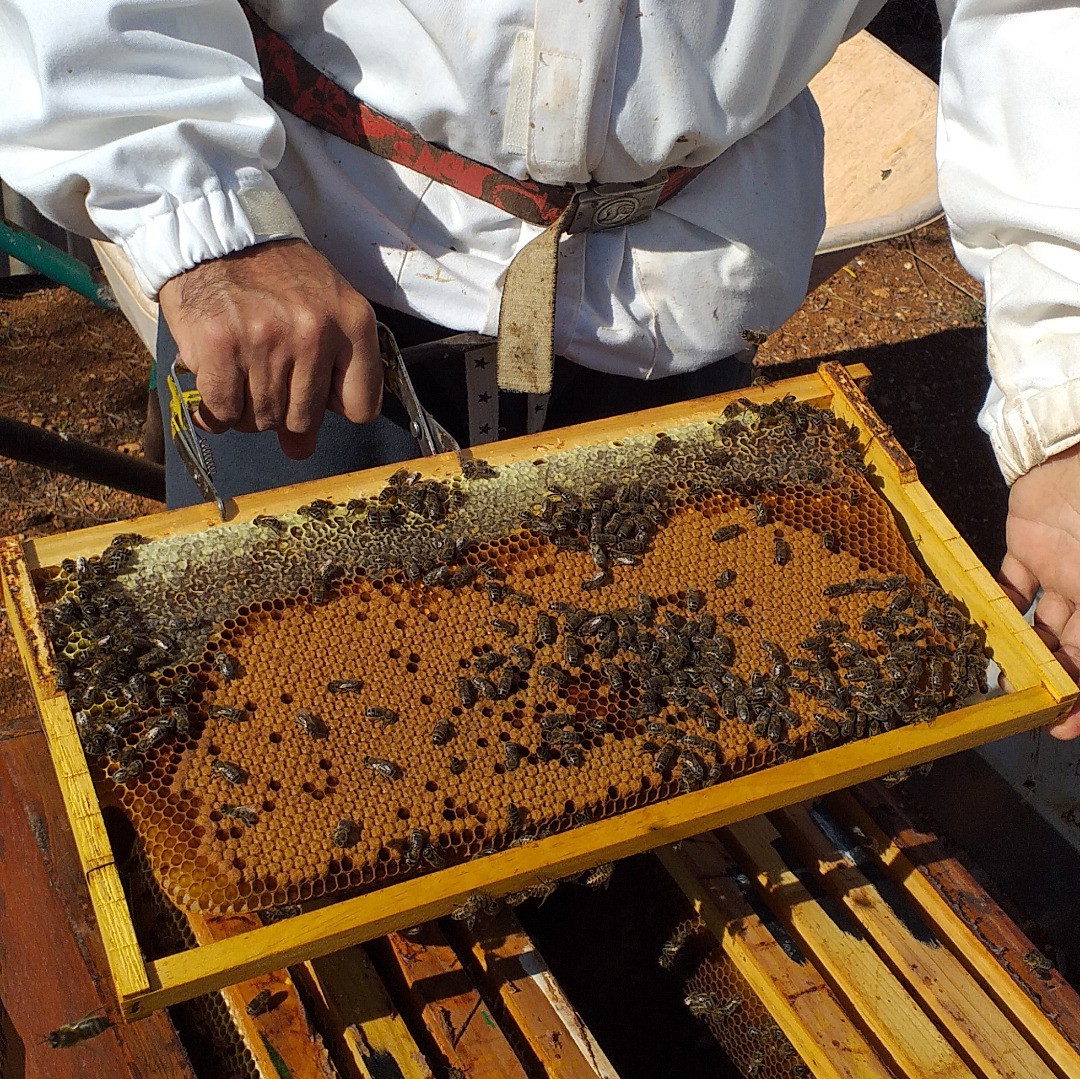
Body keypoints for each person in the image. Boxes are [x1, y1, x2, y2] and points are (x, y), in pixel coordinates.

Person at [1, 2, 1079, 735]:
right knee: (309, 719)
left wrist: (1065, 397)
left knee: (659, 718)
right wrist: (198, 211)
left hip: (688, 274)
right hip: (312, 253)